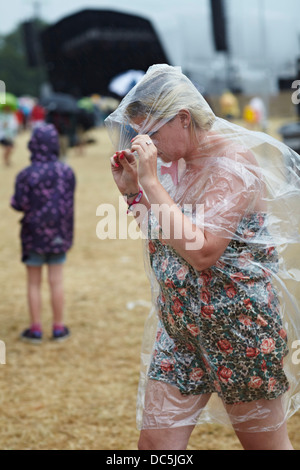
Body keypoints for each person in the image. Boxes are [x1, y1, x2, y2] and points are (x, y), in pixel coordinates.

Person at [105, 65, 300, 450]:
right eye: (138, 132)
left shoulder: (233, 163)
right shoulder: (174, 165)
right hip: (180, 332)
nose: (144, 143)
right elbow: (166, 234)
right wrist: (134, 195)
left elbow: (203, 251)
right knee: (154, 448)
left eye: (151, 132)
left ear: (183, 119)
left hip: (240, 333)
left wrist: (150, 183)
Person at [11, 124, 76, 343]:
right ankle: (58, 328)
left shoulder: (26, 175)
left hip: (32, 236)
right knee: (56, 282)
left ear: (32, 145)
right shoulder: (66, 172)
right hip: (59, 235)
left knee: (33, 283)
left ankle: (36, 329)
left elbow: (18, 204)